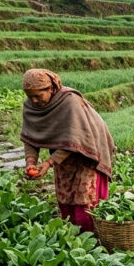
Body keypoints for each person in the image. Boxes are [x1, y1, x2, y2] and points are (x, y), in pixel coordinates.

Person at [21, 68, 115, 233]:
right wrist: (31, 162)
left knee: (84, 199)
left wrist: (49, 162)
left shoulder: (69, 102)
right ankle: (73, 237)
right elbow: (30, 136)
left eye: (38, 95)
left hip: (87, 150)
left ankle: (93, 239)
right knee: (66, 197)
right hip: (64, 153)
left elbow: (75, 139)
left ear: (51, 89)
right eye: (30, 96)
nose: (34, 101)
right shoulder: (31, 107)